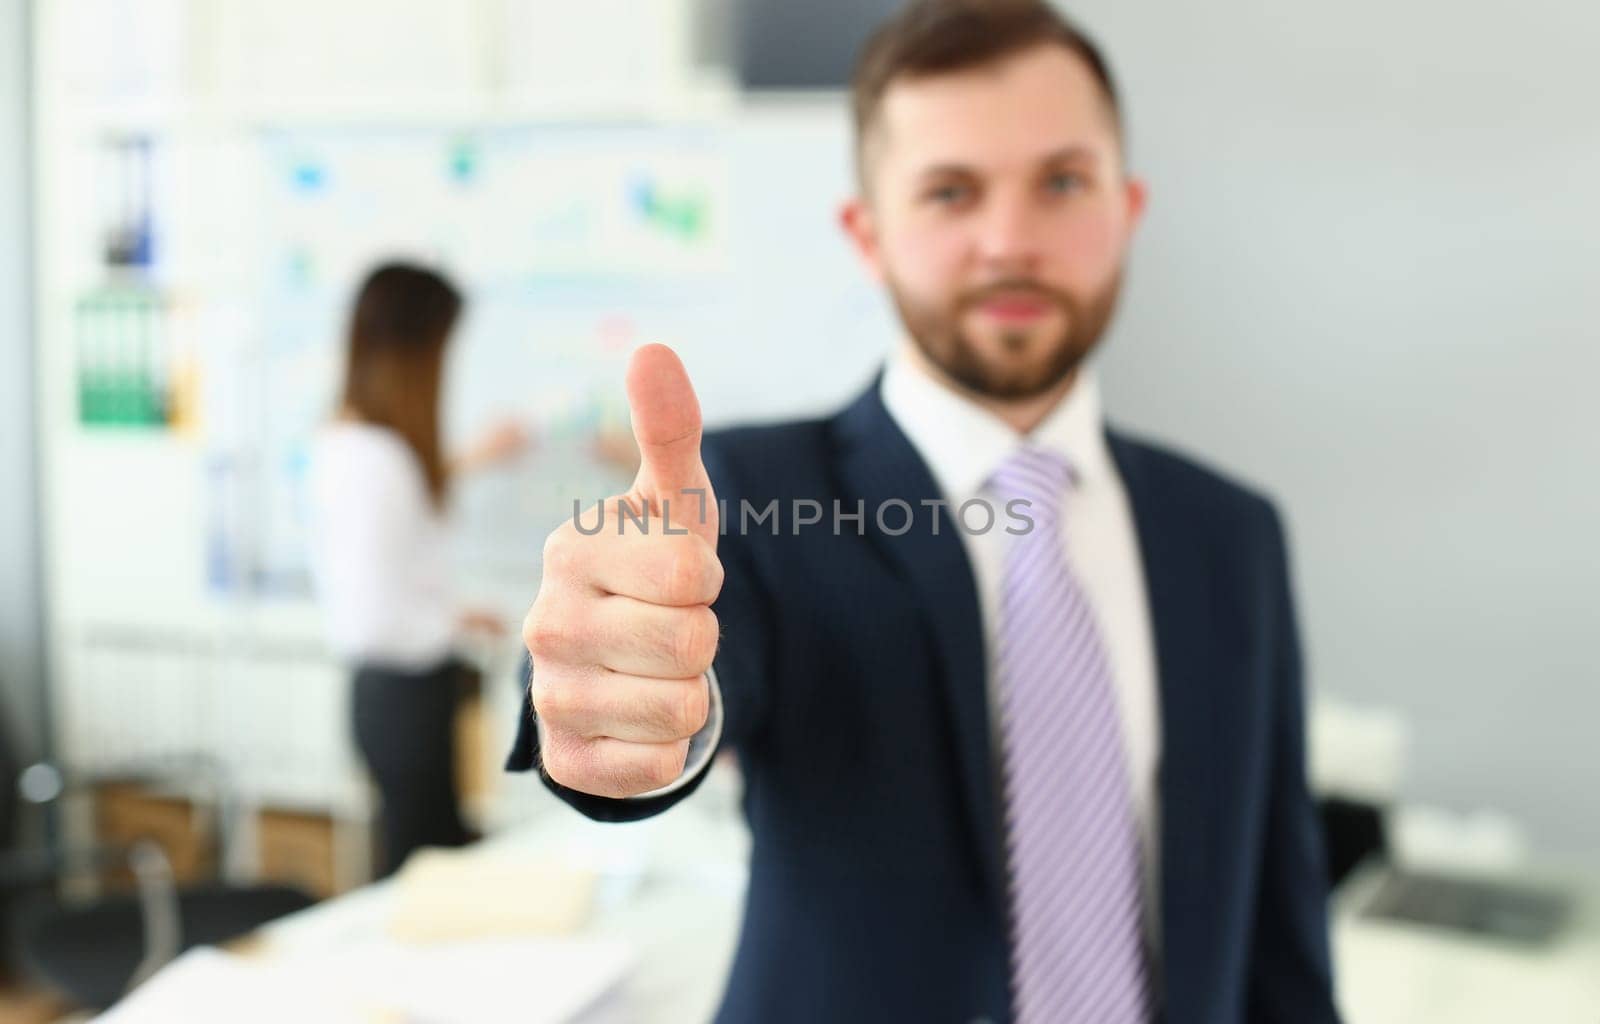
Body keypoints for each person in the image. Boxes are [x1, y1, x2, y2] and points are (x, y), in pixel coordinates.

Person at [509, 2, 1341, 1021]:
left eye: (1062, 183)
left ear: (1125, 208)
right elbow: (674, 660)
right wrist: (613, 695)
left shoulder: (1230, 536)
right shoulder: (758, 495)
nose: (1009, 242)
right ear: (868, 235)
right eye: (950, 192)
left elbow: (1279, 924)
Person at [309, 262, 526, 878]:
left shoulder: (363, 446)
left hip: (404, 695)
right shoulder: (371, 458)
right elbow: (375, 617)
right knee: (422, 873)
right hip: (402, 697)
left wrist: (448, 615)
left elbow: (384, 573)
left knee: (432, 859)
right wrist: (448, 628)